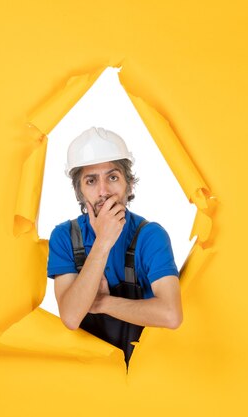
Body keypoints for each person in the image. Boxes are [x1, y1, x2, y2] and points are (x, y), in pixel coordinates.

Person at [47, 127, 182, 363]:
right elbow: (70, 317)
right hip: (88, 373)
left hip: (146, 369)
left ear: (128, 184)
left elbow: (171, 315)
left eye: (112, 177)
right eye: (91, 180)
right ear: (80, 192)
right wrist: (103, 242)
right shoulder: (64, 237)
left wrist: (101, 303)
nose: (104, 192)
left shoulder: (151, 236)